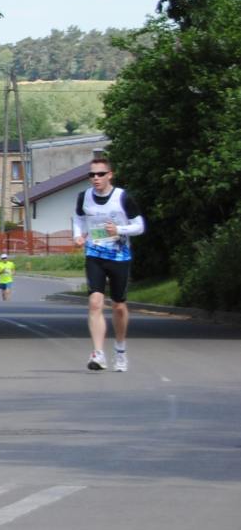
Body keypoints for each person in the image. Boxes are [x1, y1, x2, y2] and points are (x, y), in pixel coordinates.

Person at [75, 156, 146, 372]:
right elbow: (79, 218)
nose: (95, 178)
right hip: (94, 254)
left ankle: (120, 350)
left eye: (100, 174)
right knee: (95, 302)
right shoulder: (84, 197)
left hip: (119, 256)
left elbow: (139, 226)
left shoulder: (123, 197)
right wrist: (78, 235)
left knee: (118, 306)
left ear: (110, 175)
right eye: (92, 175)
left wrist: (119, 230)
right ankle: (98, 354)